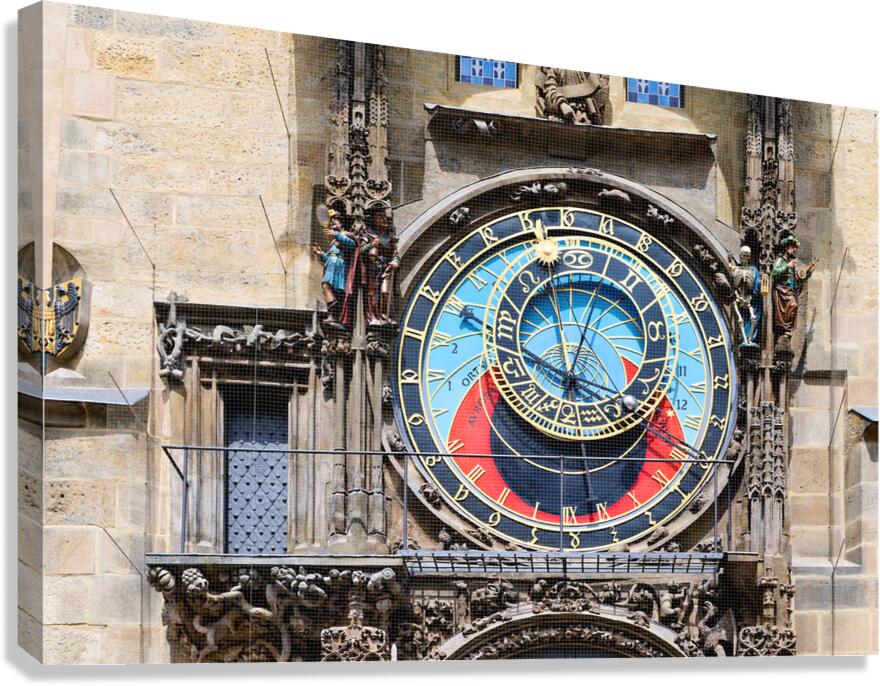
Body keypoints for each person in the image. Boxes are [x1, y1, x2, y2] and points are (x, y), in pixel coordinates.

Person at [311, 209, 356, 324]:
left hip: (338, 264)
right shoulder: (334, 241)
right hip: (332, 263)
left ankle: (334, 314)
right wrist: (321, 254)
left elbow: (352, 245)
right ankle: (334, 315)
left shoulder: (345, 234)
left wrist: (337, 234)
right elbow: (330, 257)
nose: (333, 222)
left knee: (327, 286)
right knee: (330, 289)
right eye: (332, 220)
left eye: (336, 220)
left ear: (342, 222)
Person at [771, 235, 815, 350]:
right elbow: (775, 273)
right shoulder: (781, 261)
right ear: (786, 247)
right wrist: (786, 266)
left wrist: (808, 273)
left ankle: (787, 331)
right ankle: (784, 331)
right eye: (792, 247)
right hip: (782, 291)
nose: (795, 249)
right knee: (793, 305)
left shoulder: (792, 265)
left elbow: (797, 282)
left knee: (793, 307)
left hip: (790, 291)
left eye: (795, 247)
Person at [364, 207, 400, 325]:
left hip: (386, 267)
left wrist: (395, 261)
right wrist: (370, 245)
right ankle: (373, 317)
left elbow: (395, 254)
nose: (382, 219)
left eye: (383, 217)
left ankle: (386, 317)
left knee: (385, 292)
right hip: (372, 267)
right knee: (372, 293)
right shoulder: (368, 233)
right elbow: (360, 251)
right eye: (379, 217)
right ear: (373, 220)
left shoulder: (389, 236)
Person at [733, 245, 762, 348]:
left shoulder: (753, 270)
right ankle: (743, 338)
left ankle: (750, 338)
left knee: (752, 317)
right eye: (743, 255)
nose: (745, 257)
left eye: (747, 255)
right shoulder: (736, 269)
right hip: (739, 298)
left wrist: (761, 280)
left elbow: (757, 283)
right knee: (742, 319)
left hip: (750, 298)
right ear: (740, 256)